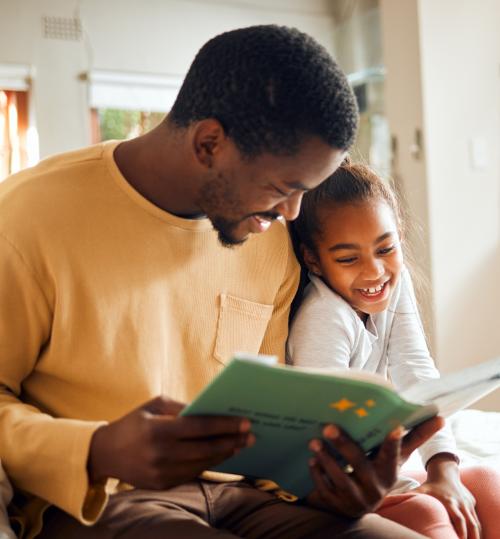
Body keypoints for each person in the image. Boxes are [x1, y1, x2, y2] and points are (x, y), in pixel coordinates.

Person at [0, 25, 442, 539]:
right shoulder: (29, 218)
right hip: (102, 500)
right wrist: (94, 450)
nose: (292, 212)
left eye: (305, 192)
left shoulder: (271, 237)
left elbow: (278, 418)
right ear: (210, 142)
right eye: (282, 188)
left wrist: (336, 484)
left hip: (248, 495)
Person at [287, 159, 500, 539]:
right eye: (348, 259)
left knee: (486, 481)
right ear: (313, 259)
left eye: (386, 249)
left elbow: (416, 370)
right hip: (342, 487)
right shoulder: (323, 318)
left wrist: (443, 470)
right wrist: (410, 488)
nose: (374, 272)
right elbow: (324, 442)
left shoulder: (392, 283)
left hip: (386, 470)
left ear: (399, 236)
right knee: (428, 514)